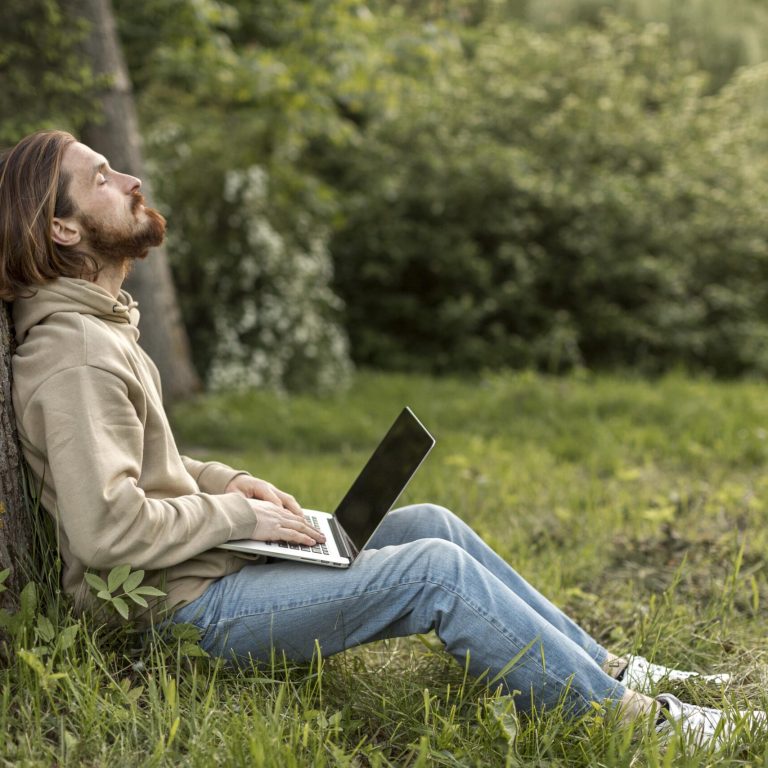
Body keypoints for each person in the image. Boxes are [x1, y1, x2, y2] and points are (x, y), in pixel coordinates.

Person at [0, 129, 762, 750]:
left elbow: (140, 465)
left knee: (431, 523)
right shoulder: (74, 356)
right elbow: (105, 532)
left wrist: (227, 481)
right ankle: (641, 727)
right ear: (62, 226)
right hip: (174, 616)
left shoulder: (99, 331)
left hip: (198, 573)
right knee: (432, 572)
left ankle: (610, 669)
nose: (130, 179)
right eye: (101, 178)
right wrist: (242, 522)